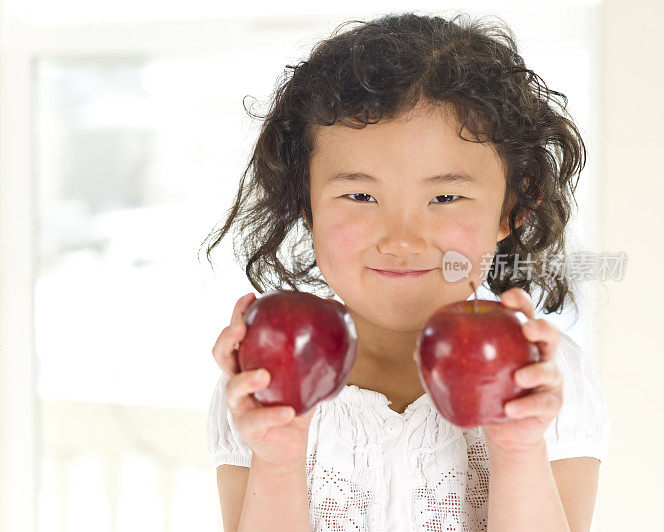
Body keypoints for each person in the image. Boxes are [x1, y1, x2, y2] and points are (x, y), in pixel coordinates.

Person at [200, 11, 611, 532]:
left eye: (444, 196)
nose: (400, 239)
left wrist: (517, 448)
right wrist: (278, 457)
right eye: (359, 195)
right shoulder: (262, 378)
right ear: (306, 204)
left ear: (513, 208)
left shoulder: (545, 379)